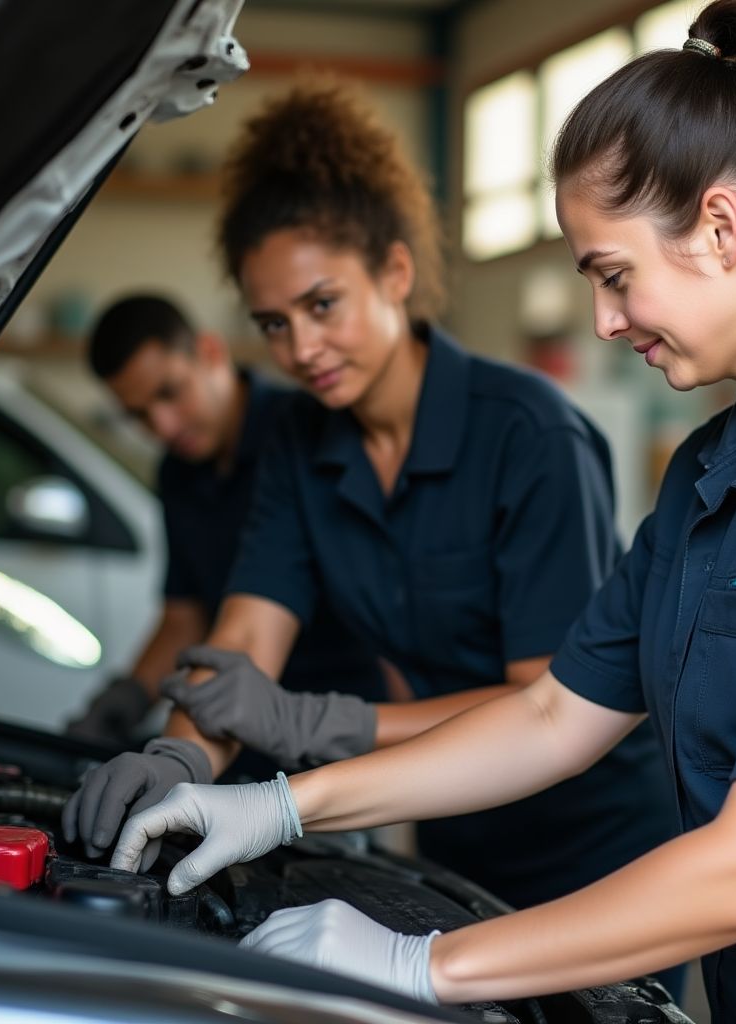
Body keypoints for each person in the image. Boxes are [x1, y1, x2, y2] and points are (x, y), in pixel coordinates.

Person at [109, 1, 736, 1019]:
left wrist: (419, 964)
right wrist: (274, 803)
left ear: (719, 227)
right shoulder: (715, 466)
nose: (604, 321)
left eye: (613, 276)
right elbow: (549, 715)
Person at [65, 77, 680, 963]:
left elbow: (546, 704)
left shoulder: (529, 435)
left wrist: (324, 723)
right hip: (452, 831)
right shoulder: (301, 450)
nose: (300, 350)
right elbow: (245, 633)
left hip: (597, 840)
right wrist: (180, 762)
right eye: (273, 323)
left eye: (323, 306)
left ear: (395, 272)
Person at [64, 297, 388, 776]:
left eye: (170, 393)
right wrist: (130, 695)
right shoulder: (177, 473)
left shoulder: (306, 433)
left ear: (210, 353)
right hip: (233, 733)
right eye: (139, 415)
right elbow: (184, 614)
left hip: (339, 730)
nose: (163, 426)